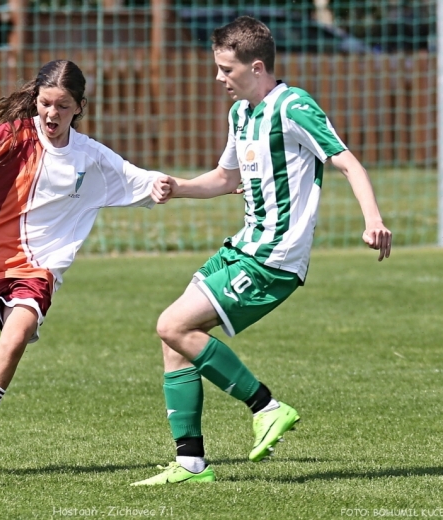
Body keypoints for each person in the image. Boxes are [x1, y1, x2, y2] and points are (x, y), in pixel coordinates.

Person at [131, 16, 392, 486]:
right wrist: (179, 188)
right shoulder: (240, 115)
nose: (218, 78)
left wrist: (372, 219)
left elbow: (347, 162)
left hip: (274, 257)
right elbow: (226, 178)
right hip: (244, 246)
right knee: (174, 339)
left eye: (225, 69)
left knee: (171, 325)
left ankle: (266, 406)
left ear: (255, 67)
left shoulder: (293, 107)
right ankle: (190, 464)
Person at [0, 60, 170, 442]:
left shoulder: (90, 157)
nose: (51, 113)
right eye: (45, 103)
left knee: (17, 333)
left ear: (79, 107)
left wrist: (219, 185)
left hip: (38, 268)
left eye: (61, 106)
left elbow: (149, 181)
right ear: (35, 100)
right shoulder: (13, 137)